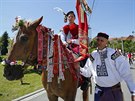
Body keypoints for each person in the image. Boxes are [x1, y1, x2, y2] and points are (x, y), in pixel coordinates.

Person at [80, 32, 135, 101]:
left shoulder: (113, 54)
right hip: (99, 92)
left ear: (106, 42)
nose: (99, 42)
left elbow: (126, 73)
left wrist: (133, 92)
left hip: (114, 92)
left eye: (102, 40)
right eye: (98, 40)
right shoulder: (93, 55)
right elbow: (87, 73)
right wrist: (78, 68)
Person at [60, 11, 90, 91]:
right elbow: (62, 38)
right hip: (66, 47)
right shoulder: (64, 28)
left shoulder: (78, 27)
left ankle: (86, 79)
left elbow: (82, 39)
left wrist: (72, 41)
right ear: (67, 18)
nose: (70, 18)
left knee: (83, 56)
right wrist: (65, 43)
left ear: (75, 18)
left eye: (72, 16)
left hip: (77, 46)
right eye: (69, 16)